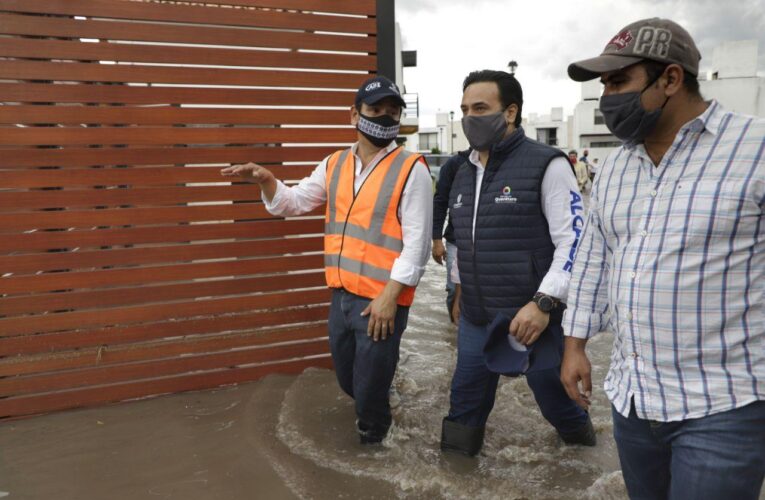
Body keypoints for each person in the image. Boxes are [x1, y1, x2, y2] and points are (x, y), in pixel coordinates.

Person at [562, 18, 765, 499]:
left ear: (671, 79)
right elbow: (594, 257)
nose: (607, 97)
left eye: (617, 82)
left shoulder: (754, 151)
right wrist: (574, 345)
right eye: (604, 85)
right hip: (633, 402)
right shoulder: (615, 168)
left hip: (725, 404)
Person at [221, 76, 433, 444]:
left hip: (382, 301)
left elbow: (418, 244)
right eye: (375, 111)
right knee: (348, 379)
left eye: (392, 112)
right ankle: (383, 400)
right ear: (354, 115)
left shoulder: (411, 167)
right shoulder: (334, 164)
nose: (384, 119)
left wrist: (390, 297)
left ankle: (375, 450)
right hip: (342, 297)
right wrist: (268, 181)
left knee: (367, 396)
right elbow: (294, 201)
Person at [440, 70, 595, 456]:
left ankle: (584, 461)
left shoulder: (548, 164)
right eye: (464, 109)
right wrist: (459, 289)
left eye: (480, 108)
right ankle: (457, 476)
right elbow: (458, 239)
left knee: (559, 406)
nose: (469, 117)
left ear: (510, 112)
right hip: (477, 319)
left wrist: (543, 303)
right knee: (463, 409)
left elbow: (575, 243)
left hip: (533, 322)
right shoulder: (462, 171)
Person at [432, 149, 471, 320]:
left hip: (490, 242)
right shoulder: (454, 164)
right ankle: (454, 335)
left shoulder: (504, 162)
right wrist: (436, 240)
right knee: (454, 289)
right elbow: (440, 202)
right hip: (456, 241)